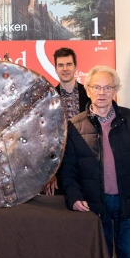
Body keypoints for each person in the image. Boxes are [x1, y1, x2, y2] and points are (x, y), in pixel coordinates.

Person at [59, 65, 130, 258]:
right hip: (96, 208)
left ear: (116, 90)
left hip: (129, 205)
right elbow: (68, 171)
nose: (102, 92)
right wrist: (73, 197)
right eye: (97, 86)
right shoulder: (74, 126)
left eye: (108, 87)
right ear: (88, 90)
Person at [44, 47, 88, 195]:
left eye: (69, 64)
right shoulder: (47, 100)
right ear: (55, 69)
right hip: (60, 166)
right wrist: (50, 172)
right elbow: (44, 138)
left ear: (76, 67)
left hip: (87, 163)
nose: (65, 69)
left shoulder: (91, 96)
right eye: (60, 65)